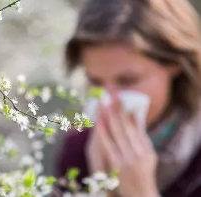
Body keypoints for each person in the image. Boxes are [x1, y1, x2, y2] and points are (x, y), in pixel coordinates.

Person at [54, 0, 201, 196]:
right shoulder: (80, 146)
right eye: (96, 83)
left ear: (174, 63)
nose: (110, 100)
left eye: (128, 81)